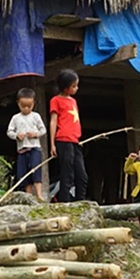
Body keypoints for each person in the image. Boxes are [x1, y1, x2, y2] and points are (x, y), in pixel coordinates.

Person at [49, 69, 87, 202]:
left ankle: (81, 202)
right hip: (63, 140)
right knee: (67, 174)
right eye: (74, 86)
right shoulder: (56, 100)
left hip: (75, 141)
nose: (76, 88)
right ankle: (65, 204)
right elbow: (53, 121)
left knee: (81, 175)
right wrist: (52, 143)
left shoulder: (73, 101)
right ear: (65, 88)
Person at [6, 88, 47, 201]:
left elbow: (43, 130)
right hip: (22, 150)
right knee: (24, 173)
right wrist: (16, 136)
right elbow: (9, 132)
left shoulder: (36, 116)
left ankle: (39, 194)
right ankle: (29, 195)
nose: (26, 108)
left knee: (35, 169)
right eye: (23, 106)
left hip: (34, 148)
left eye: (29, 106)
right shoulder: (15, 118)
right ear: (18, 103)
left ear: (33, 103)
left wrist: (35, 134)